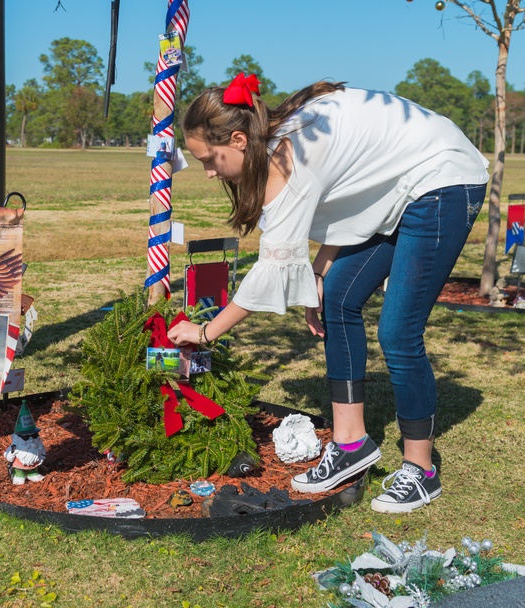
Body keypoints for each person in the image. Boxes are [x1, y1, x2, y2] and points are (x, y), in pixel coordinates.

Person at [167, 73, 488, 514]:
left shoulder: (287, 162)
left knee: (398, 332)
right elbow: (350, 191)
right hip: (397, 184)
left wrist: (206, 332)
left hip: (443, 179)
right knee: (336, 297)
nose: (207, 173)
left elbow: (272, 271)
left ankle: (421, 469)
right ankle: (352, 443)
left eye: (210, 159)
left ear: (238, 139)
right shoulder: (280, 140)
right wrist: (320, 270)